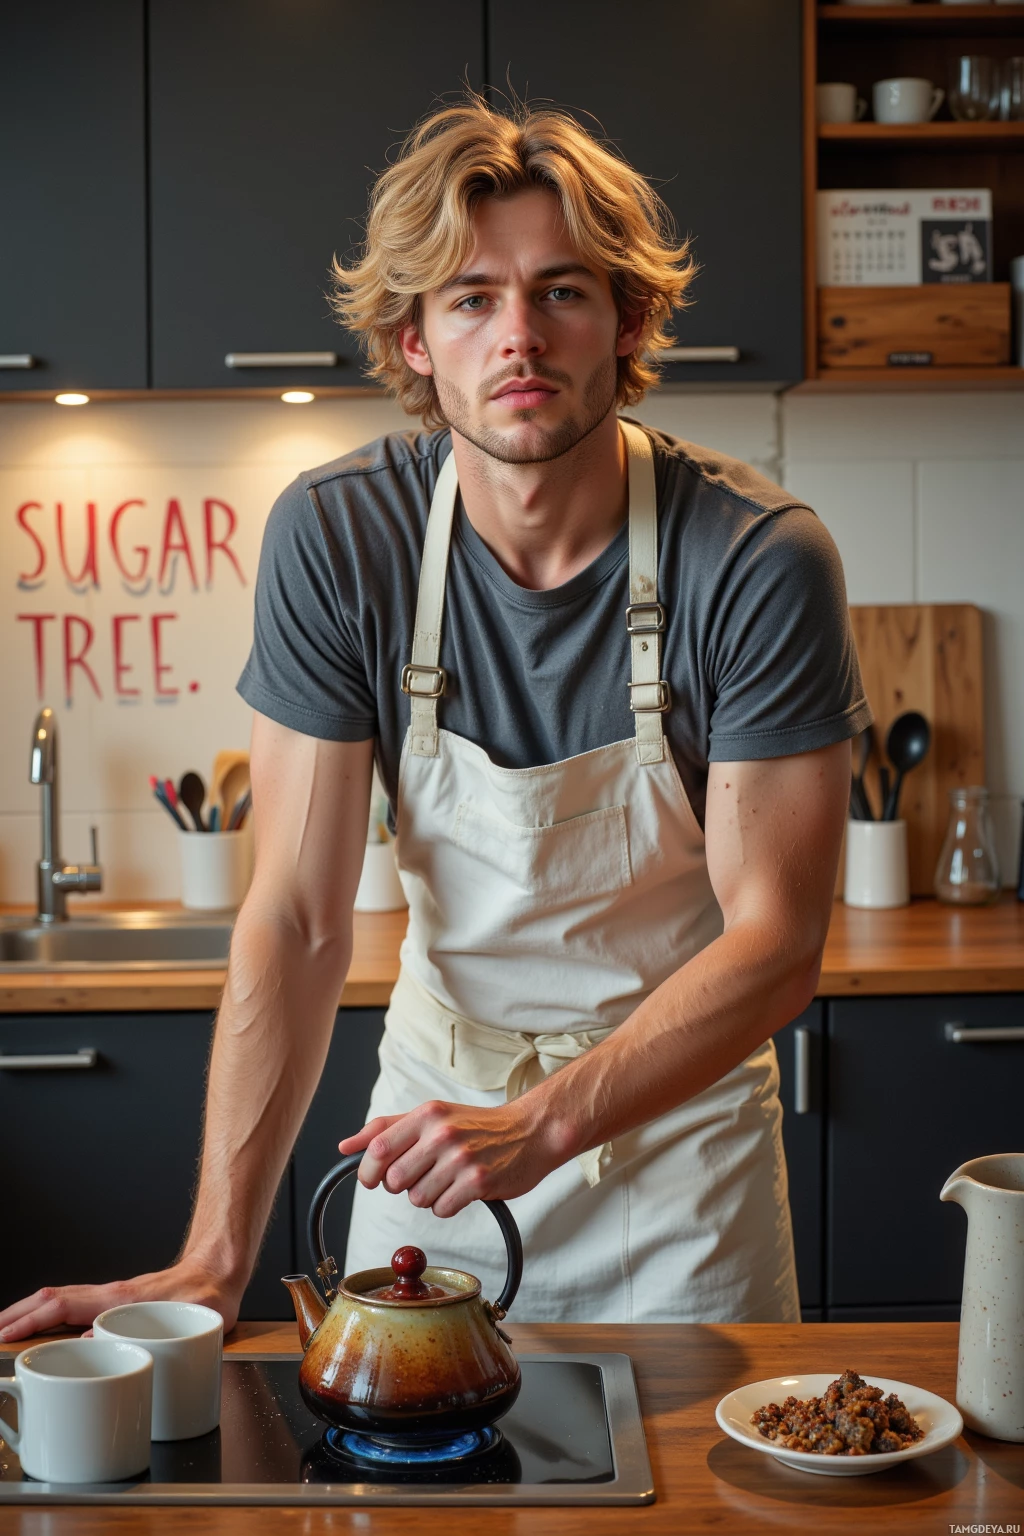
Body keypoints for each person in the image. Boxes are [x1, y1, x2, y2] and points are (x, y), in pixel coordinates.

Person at [0, 98, 869, 1341]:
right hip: (426, 1144)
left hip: (676, 1160)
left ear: (626, 320)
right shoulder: (337, 536)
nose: (518, 336)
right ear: (412, 338)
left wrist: (546, 1122)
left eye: (561, 290)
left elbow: (776, 941)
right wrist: (212, 1260)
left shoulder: (754, 557)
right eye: (470, 299)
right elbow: (297, 919)